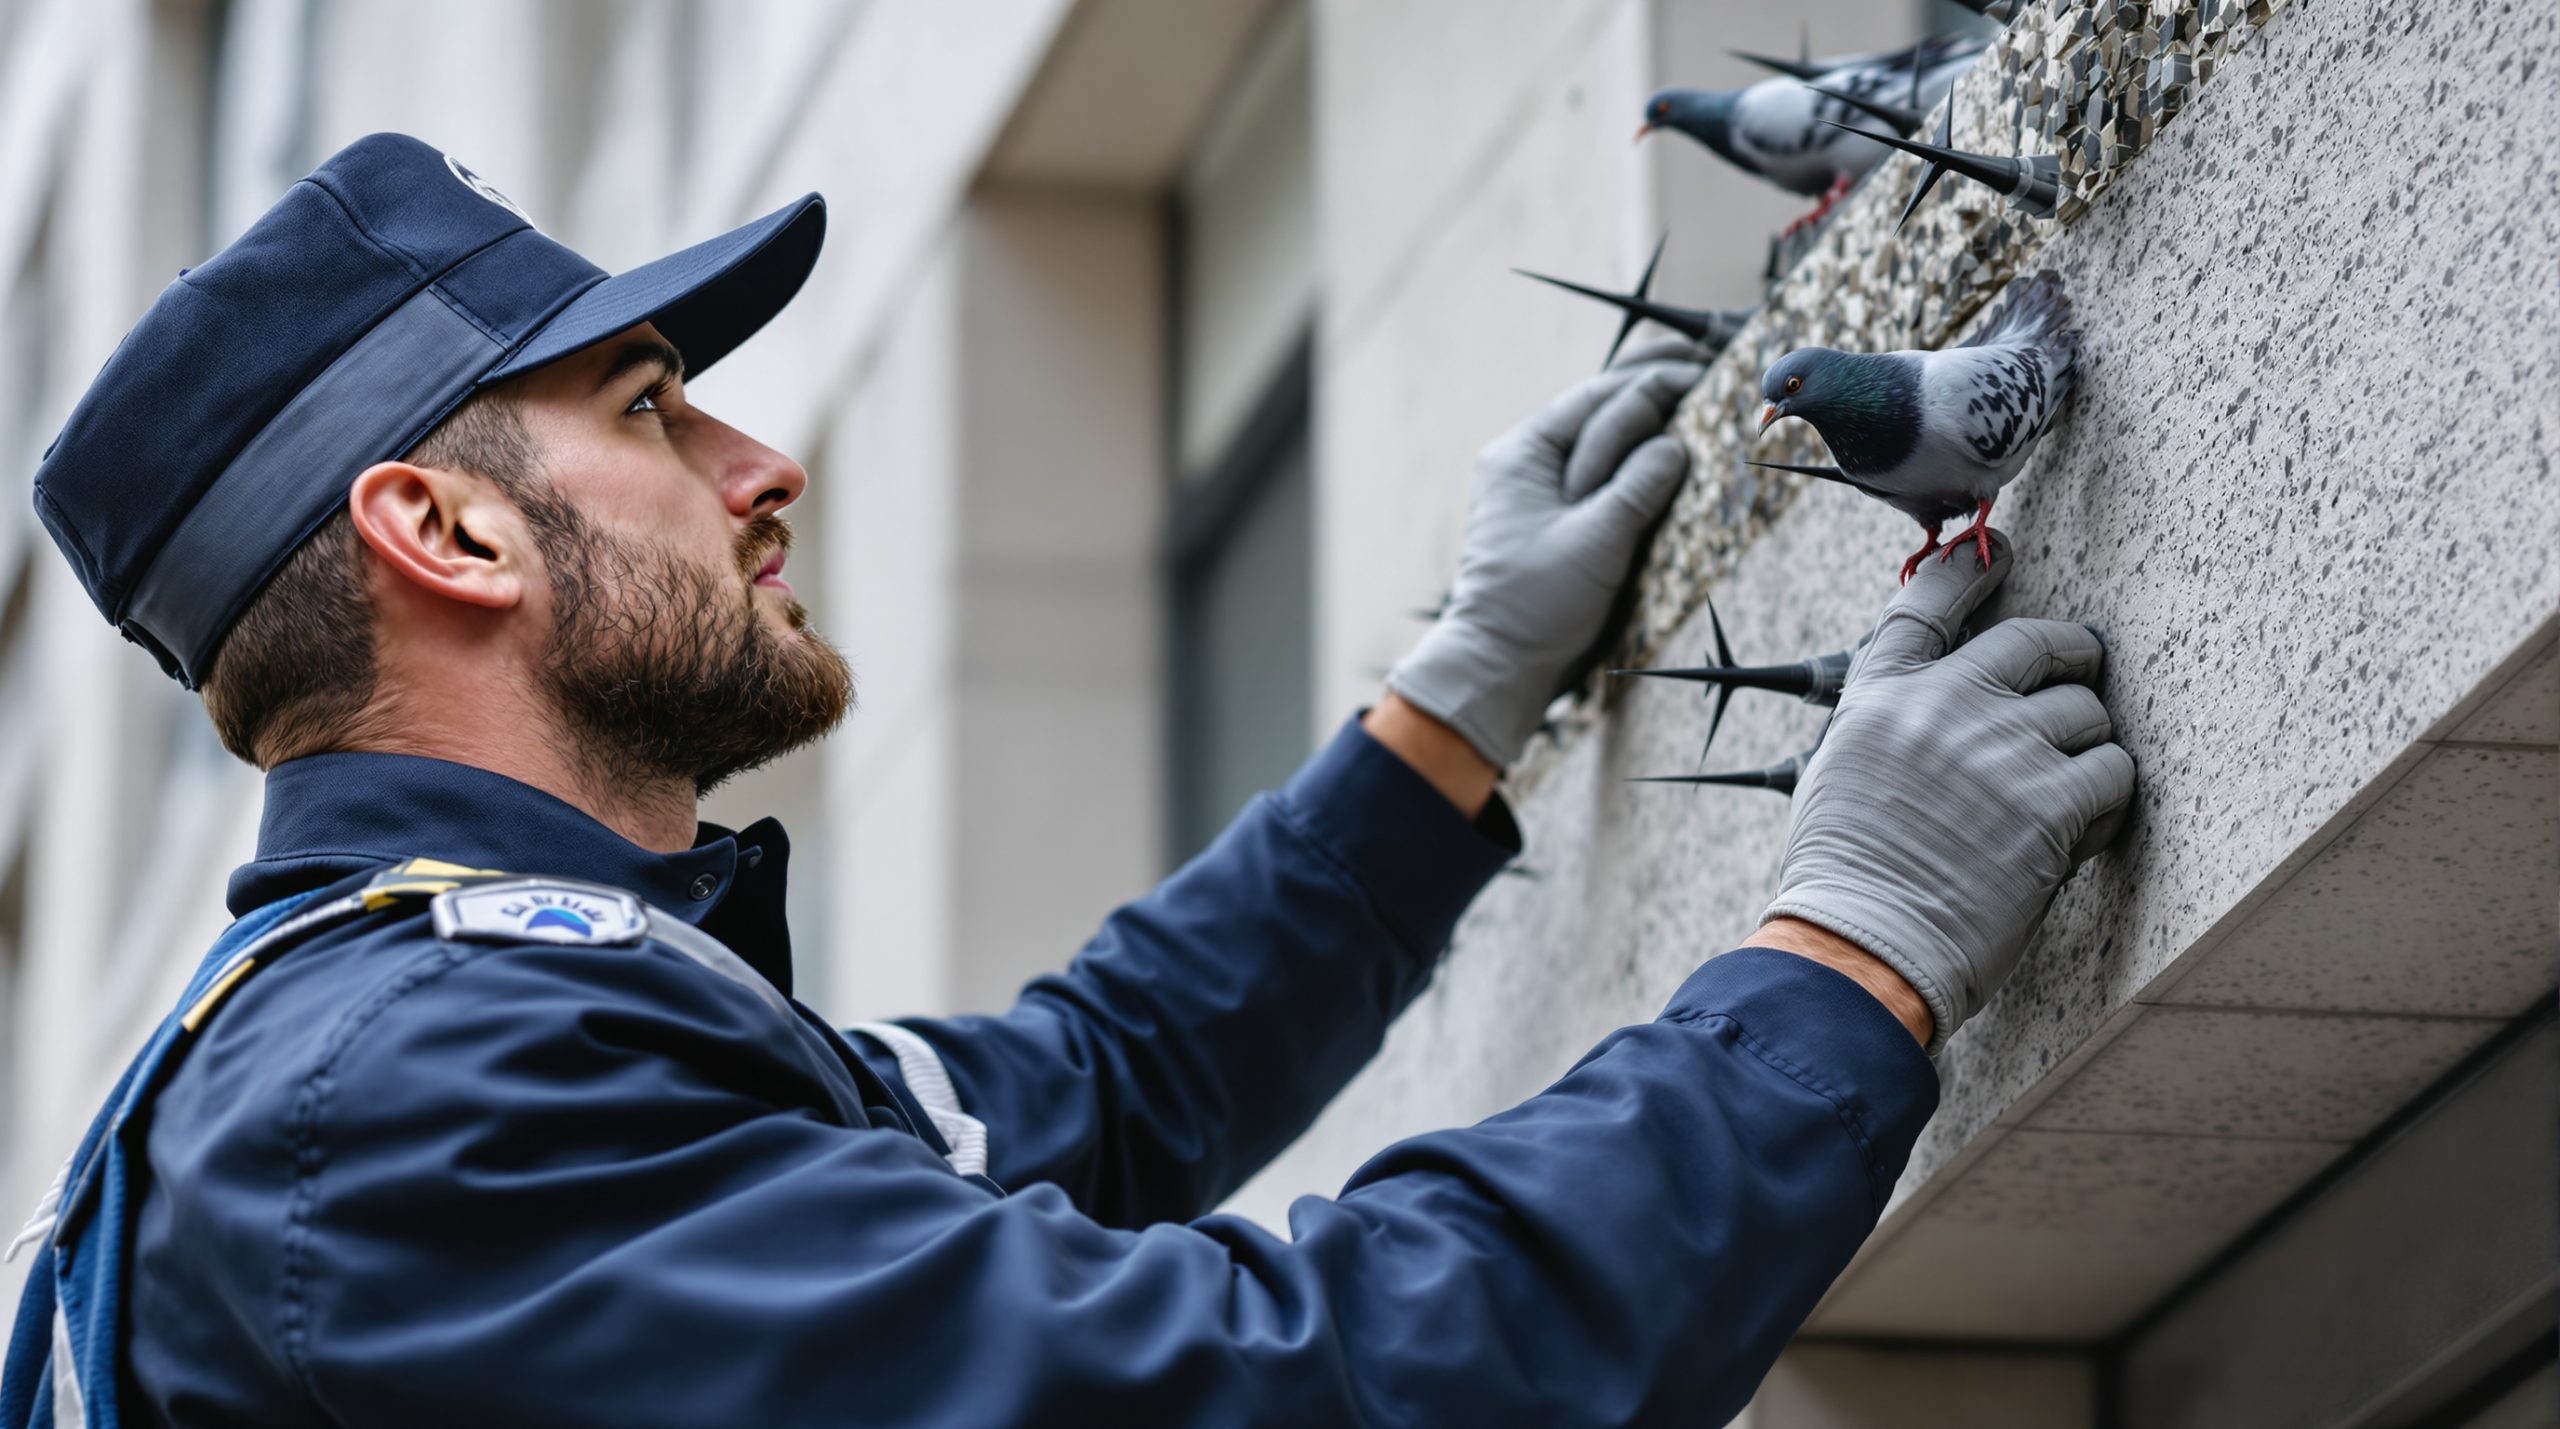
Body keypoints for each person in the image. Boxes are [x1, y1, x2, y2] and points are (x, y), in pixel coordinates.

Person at [0, 134, 2133, 1428]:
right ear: (443, 538)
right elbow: (1279, 1398)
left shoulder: (458, 1035)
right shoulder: (405, 1114)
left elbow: (1080, 1089)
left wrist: (1439, 720)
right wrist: (1839, 956)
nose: (763, 468)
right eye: (654, 411)